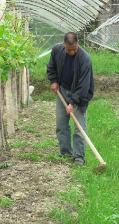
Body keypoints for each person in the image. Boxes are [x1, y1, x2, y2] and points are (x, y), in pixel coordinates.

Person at [47, 32, 94, 166]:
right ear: (64, 45)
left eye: (74, 49)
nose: (72, 52)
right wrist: (53, 81)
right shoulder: (57, 50)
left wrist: (73, 102)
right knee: (61, 125)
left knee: (79, 128)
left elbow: (84, 85)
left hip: (80, 95)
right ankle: (66, 152)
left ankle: (79, 157)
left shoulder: (85, 58)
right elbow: (51, 66)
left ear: (78, 43)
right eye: (69, 50)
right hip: (63, 91)